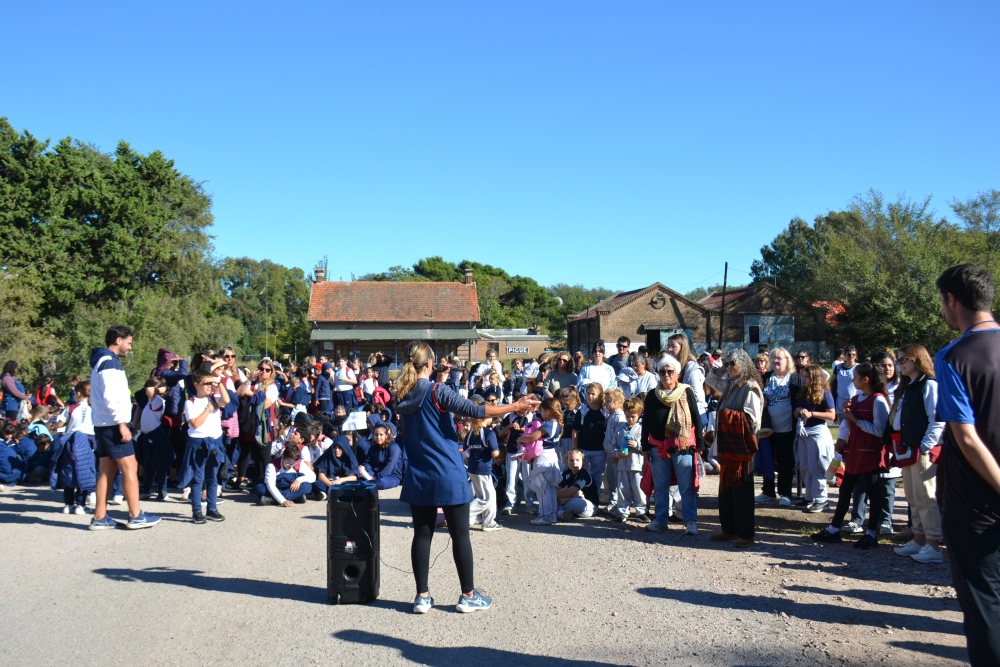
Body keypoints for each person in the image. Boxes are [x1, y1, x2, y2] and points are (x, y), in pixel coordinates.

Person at [394, 341, 538, 614]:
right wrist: (514, 406)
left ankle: (422, 597)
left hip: (419, 474)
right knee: (461, 536)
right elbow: (477, 410)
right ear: (429, 364)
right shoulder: (438, 391)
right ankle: (468, 595)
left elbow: (426, 405)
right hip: (447, 472)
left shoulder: (405, 392)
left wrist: (440, 378)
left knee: (422, 536)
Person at [933, 264, 1000, 666]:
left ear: (952, 300)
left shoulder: (953, 356)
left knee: (984, 607)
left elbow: (967, 437)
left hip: (974, 504)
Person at [811, 362, 891, 549]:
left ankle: (871, 533)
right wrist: (842, 438)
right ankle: (834, 529)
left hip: (870, 452)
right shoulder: (856, 398)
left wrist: (856, 420)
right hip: (855, 450)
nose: (852, 380)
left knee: (873, 492)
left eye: (855, 377)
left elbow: (880, 430)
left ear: (866, 379)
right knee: (845, 489)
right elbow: (847, 421)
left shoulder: (878, 400)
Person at [87, 326, 159, 530]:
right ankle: (135, 515)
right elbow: (111, 396)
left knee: (107, 469)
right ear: (118, 340)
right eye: (129, 343)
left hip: (103, 424)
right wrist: (122, 424)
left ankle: (99, 517)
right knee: (130, 467)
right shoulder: (109, 363)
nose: (130, 347)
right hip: (113, 424)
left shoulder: (102, 361)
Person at [890, 343, 945, 563]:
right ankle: (919, 538)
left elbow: (937, 419)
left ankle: (933, 544)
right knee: (912, 496)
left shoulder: (929, 385)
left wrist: (925, 445)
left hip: (921, 449)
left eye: (903, 360)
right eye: (899, 360)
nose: (899, 365)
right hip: (907, 447)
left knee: (925, 496)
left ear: (916, 359)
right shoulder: (910, 386)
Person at [643, 354, 705, 536]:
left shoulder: (686, 392)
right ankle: (660, 520)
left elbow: (696, 419)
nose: (666, 375)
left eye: (670, 371)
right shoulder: (652, 395)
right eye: (662, 371)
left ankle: (690, 521)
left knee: (686, 487)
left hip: (682, 446)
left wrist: (700, 443)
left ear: (677, 373)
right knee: (660, 486)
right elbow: (646, 421)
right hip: (657, 447)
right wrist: (645, 446)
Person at [706, 349, 763, 547]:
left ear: (744, 364)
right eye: (727, 363)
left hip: (742, 447)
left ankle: (746, 534)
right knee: (726, 490)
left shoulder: (750, 387)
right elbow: (711, 379)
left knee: (742, 492)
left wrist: (725, 416)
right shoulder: (730, 384)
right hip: (728, 446)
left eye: (732, 364)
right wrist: (721, 367)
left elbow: (751, 419)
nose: (729, 367)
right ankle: (729, 529)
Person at [179, 369, 230, 524]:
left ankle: (212, 508)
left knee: (212, 477)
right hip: (198, 442)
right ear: (196, 385)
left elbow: (226, 400)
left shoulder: (213, 398)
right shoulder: (191, 402)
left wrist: (219, 382)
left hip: (214, 440)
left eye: (210, 383)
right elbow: (194, 423)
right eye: (205, 383)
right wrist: (208, 409)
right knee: (197, 478)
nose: (209, 386)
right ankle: (196, 511)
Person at [760, 347, 804, 507]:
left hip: (787, 429)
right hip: (767, 430)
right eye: (773, 358)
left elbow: (800, 399)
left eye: (779, 358)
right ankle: (768, 491)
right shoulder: (765, 377)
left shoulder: (795, 378)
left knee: (785, 462)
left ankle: (785, 493)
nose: (776, 361)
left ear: (787, 361)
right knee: (767, 460)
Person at [792, 365, 836, 513]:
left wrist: (812, 414)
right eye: (803, 376)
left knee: (817, 465)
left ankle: (821, 499)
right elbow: (795, 412)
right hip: (804, 431)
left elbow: (831, 415)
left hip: (818, 432)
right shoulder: (803, 393)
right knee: (804, 465)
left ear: (815, 378)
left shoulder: (825, 393)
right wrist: (798, 411)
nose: (804, 379)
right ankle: (809, 497)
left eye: (807, 377)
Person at [517, 397, 565, 526]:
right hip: (551, 455)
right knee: (550, 488)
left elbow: (533, 437)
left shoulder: (549, 424)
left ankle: (546, 516)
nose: (541, 413)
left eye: (543, 410)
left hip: (544, 456)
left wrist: (521, 440)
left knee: (542, 487)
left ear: (548, 411)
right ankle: (551, 514)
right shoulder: (557, 423)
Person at [612, 397, 648, 523]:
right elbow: (613, 445)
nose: (630, 419)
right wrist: (617, 453)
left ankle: (641, 511)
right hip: (623, 465)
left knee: (638, 489)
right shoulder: (620, 429)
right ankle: (622, 511)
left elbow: (646, 447)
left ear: (639, 414)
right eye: (627, 416)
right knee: (622, 488)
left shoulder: (642, 429)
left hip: (637, 465)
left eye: (633, 416)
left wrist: (636, 445)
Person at [466, 415, 502, 531]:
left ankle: (488, 522)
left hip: (472, 468)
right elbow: (495, 454)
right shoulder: (489, 433)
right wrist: (501, 453)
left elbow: (467, 451)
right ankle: (462, 516)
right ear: (487, 418)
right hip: (483, 470)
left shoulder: (470, 433)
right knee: (486, 499)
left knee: (489, 495)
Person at [556, 448, 598, 520]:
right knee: (557, 499)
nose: (574, 463)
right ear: (567, 462)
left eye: (577, 460)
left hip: (588, 506)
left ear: (583, 461)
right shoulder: (567, 472)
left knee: (570, 501)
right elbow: (559, 488)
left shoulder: (583, 474)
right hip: (572, 500)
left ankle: (559, 511)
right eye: (571, 460)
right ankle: (562, 513)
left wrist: (552, 495)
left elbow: (571, 491)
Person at [831, 345, 859, 418]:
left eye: (854, 354)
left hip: (855, 401)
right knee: (842, 426)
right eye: (849, 354)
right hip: (840, 402)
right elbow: (831, 382)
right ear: (844, 356)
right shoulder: (838, 367)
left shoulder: (859, 367)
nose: (851, 356)